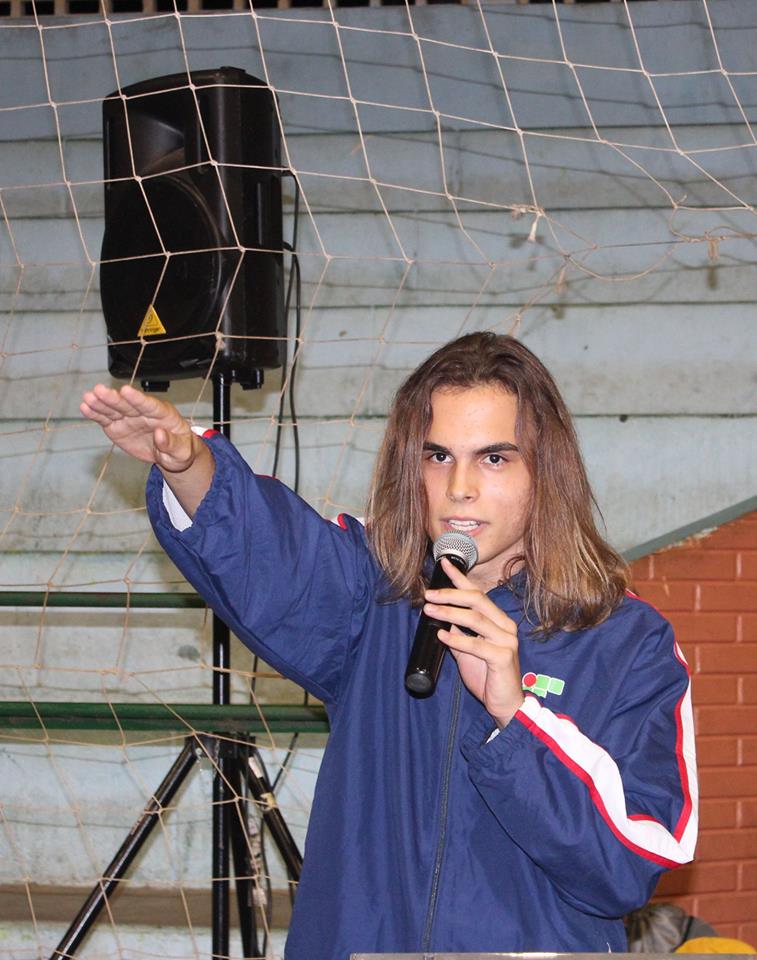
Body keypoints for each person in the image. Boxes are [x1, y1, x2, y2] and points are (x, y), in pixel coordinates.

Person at [81, 332, 698, 959]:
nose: (459, 487)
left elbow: (633, 863)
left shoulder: (627, 643)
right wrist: (189, 464)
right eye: (437, 456)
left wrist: (517, 718)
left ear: (546, 470)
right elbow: (272, 549)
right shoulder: (371, 594)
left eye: (493, 458)